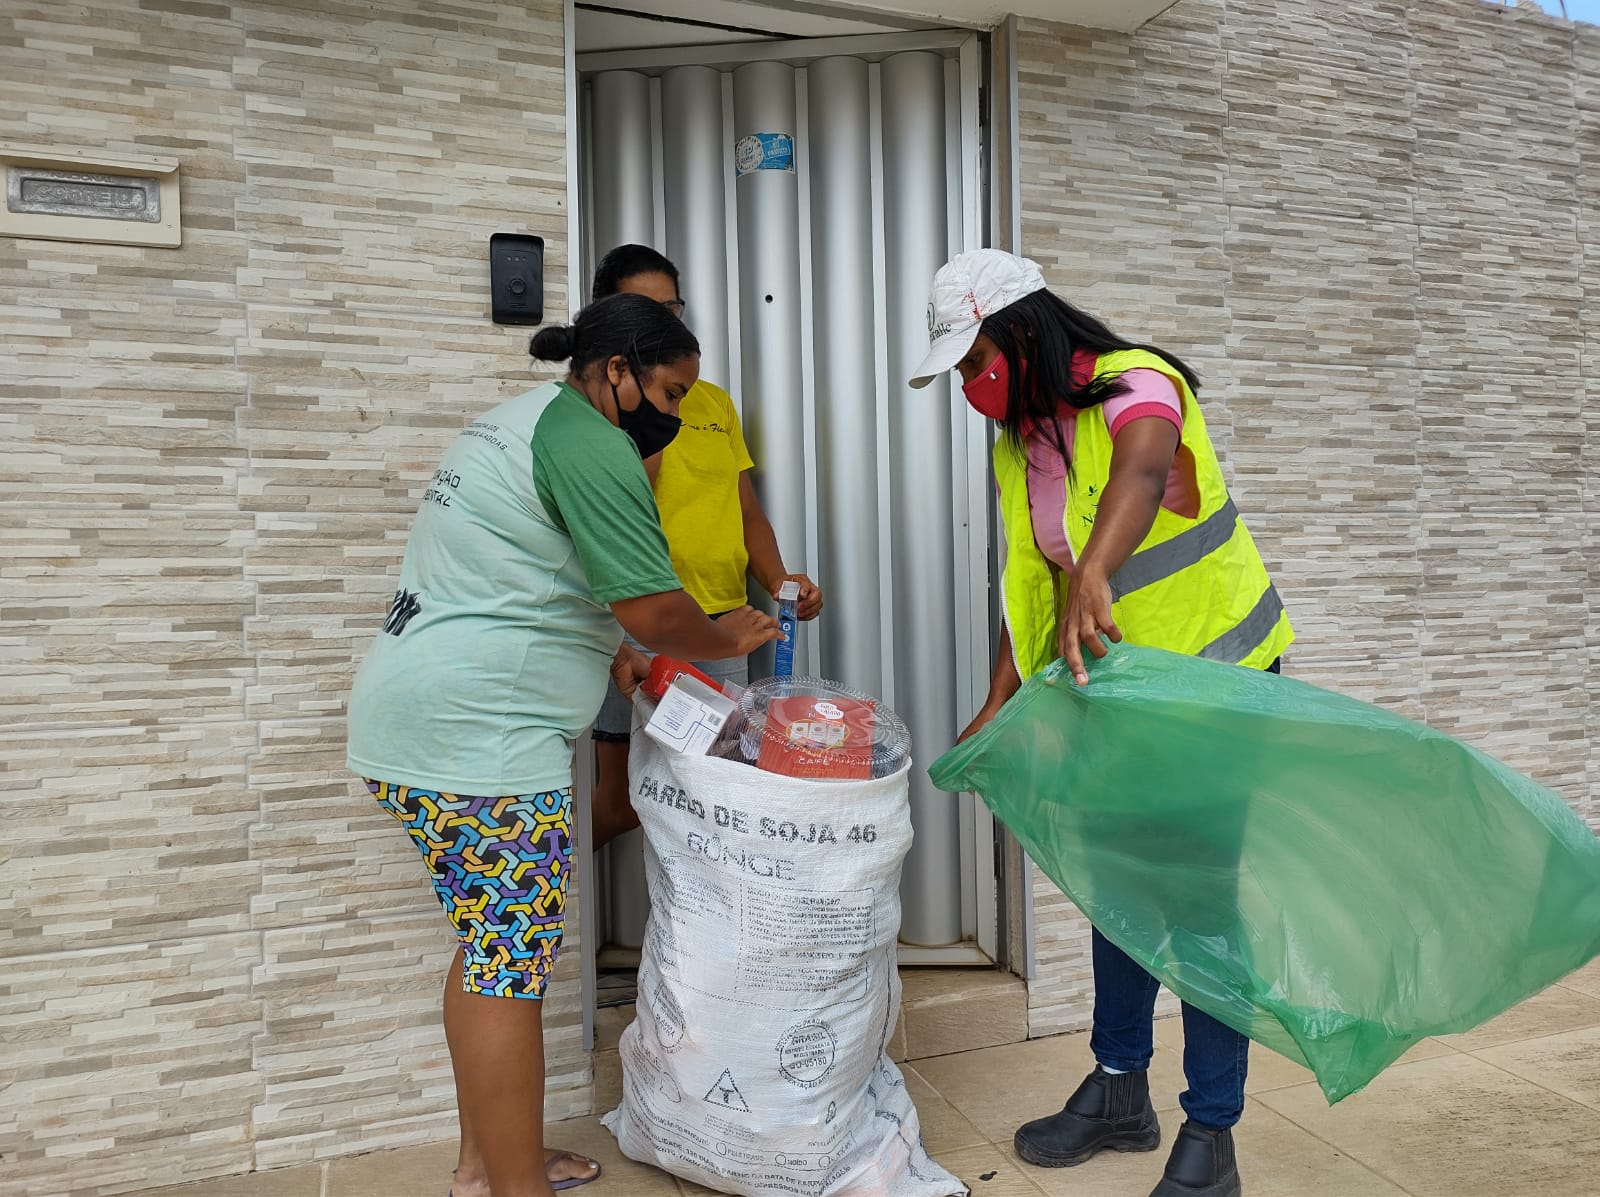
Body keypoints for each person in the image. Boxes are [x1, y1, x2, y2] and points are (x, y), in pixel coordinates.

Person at [345, 293, 782, 1197]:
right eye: (670, 388)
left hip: (416, 719)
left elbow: (521, 570)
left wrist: (614, 650)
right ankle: (516, 1187)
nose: (677, 411)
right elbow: (656, 607)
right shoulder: (591, 443)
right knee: (509, 966)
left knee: (489, 947)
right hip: (485, 740)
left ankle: (487, 1162)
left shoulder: (519, 420)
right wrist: (731, 635)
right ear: (616, 371)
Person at [910, 249, 1293, 1197]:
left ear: (1025, 333)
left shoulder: (1138, 383)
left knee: (1198, 901)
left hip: (1214, 680)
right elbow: (1039, 586)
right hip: (1114, 690)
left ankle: (1214, 1130)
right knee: (1115, 883)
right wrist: (1001, 693)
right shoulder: (1023, 438)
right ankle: (1121, 1083)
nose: (969, 382)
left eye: (973, 359)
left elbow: (1146, 462)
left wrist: (1097, 569)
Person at [585, 245, 822, 849]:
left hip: (720, 627)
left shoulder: (711, 401)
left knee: (717, 797)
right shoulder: (602, 408)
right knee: (623, 803)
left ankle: (701, 937)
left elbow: (743, 507)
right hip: (635, 625)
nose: (664, 324)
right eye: (644, 310)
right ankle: (533, 908)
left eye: (672, 309)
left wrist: (779, 583)